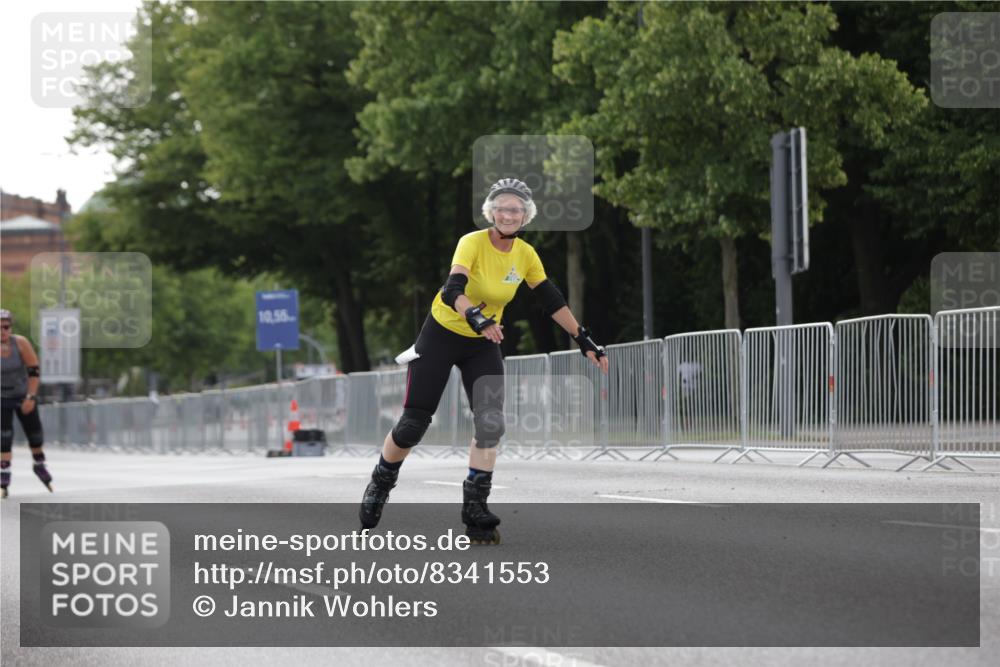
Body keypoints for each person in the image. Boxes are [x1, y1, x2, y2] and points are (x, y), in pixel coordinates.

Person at [358, 178, 609, 543]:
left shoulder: (525, 254)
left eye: (516, 209)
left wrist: (584, 339)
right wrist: (477, 317)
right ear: (491, 212)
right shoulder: (471, 242)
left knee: (490, 424)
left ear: (526, 215)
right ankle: (381, 482)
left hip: (482, 342)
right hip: (443, 333)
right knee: (413, 423)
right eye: (502, 208)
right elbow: (451, 290)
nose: (509, 214)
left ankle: (475, 509)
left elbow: (551, 299)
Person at [0, 309, 53, 498]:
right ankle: (4, 472)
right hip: (1, 398)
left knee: (35, 434)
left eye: (6, 327)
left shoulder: (20, 343)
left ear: (10, 328)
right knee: (4, 436)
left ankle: (39, 464)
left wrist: (31, 397)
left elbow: (34, 372)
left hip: (23, 394)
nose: (2, 331)